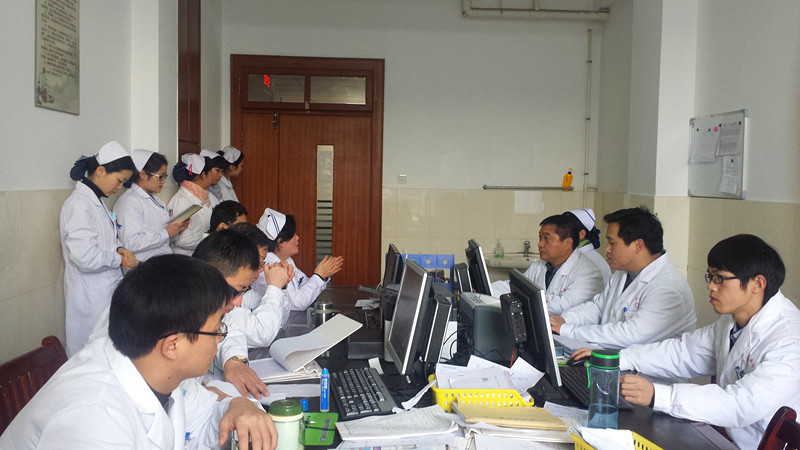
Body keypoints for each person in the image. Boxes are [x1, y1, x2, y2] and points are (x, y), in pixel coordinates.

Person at [0, 254, 278, 449]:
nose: (220, 340)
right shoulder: (94, 418)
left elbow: (201, 419)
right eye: (218, 329)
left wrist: (236, 406)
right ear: (173, 345)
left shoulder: (155, 368)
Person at [618, 235, 800, 449]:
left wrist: (658, 395)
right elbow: (684, 352)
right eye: (711, 277)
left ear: (757, 284)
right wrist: (620, 358)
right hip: (727, 438)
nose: (711, 286)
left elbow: (740, 403)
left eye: (720, 278)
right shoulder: (731, 321)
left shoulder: (790, 340)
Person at [549, 207, 696, 349]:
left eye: (612, 243)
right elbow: (598, 307)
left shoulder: (668, 288)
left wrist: (567, 330)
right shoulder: (623, 272)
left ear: (638, 246)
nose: (607, 249)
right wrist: (565, 319)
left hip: (648, 366)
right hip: (614, 357)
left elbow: (630, 334)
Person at [59, 140, 138, 356]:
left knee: (107, 353)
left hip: (105, 293)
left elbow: (106, 240)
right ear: (101, 171)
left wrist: (119, 249)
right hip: (90, 299)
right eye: (119, 181)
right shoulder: (79, 205)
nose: (119, 188)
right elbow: (85, 257)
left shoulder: (98, 201)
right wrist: (119, 259)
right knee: (90, 356)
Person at [192, 230, 271, 399]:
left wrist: (234, 361)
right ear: (208, 278)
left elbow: (229, 329)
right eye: (234, 292)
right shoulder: (172, 318)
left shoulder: (212, 308)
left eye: (243, 292)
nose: (236, 302)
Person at [490, 214, 604, 314]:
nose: (540, 244)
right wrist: (487, 289)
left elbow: (561, 307)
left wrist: (527, 298)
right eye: (540, 238)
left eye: (546, 238)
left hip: (567, 329)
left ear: (568, 243)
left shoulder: (588, 273)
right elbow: (516, 287)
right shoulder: (540, 265)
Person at [257, 208, 344, 311]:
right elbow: (297, 303)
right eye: (293, 235)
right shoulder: (266, 267)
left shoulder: (286, 260)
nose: (297, 238)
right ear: (281, 242)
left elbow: (304, 284)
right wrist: (319, 276)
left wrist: (322, 276)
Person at [225, 222, 293, 348]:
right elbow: (262, 335)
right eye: (257, 262)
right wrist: (274, 287)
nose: (261, 270)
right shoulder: (224, 296)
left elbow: (278, 322)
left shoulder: (248, 292)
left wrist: (281, 287)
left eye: (262, 263)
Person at [114, 149, 189, 261]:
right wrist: (166, 233)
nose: (163, 181)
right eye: (160, 177)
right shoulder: (129, 202)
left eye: (165, 177)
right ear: (143, 174)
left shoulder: (156, 200)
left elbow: (162, 239)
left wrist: (177, 230)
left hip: (162, 260)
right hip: (143, 265)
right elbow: (131, 243)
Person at [167, 153, 223, 255]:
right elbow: (182, 239)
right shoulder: (182, 200)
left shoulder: (205, 196)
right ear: (203, 175)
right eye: (211, 172)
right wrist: (211, 239)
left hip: (202, 254)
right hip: (185, 257)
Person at [565, 208, 612, 283]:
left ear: (581, 234)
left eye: (564, 231)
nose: (559, 236)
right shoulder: (574, 256)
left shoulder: (591, 261)